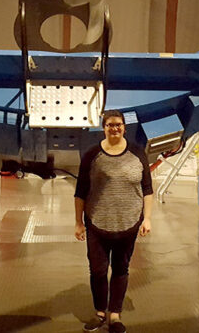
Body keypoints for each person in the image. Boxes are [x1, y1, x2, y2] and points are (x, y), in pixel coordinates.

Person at [74, 110, 153, 333]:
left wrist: (147, 218)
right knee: (98, 270)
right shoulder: (91, 155)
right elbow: (80, 191)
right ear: (104, 127)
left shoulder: (138, 153)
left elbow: (147, 189)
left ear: (124, 127)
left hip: (128, 224)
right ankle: (100, 312)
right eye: (110, 125)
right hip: (97, 223)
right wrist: (78, 222)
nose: (114, 128)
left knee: (121, 269)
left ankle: (114, 316)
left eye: (118, 125)